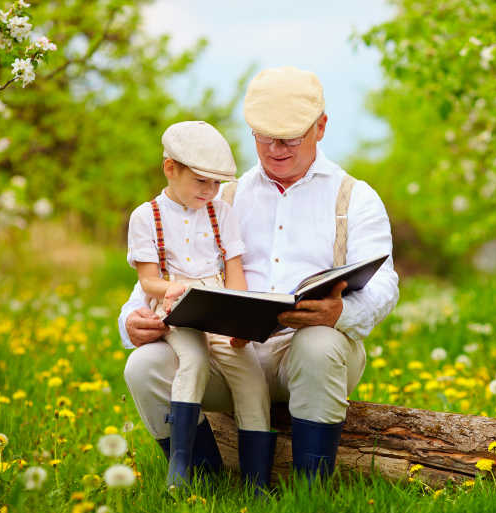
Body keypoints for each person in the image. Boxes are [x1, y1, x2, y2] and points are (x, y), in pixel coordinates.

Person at [118, 66, 399, 484]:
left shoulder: (354, 197)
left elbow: (383, 285)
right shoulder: (220, 195)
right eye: (264, 137)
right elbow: (164, 270)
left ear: (320, 127)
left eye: (289, 138)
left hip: (306, 357)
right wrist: (132, 321)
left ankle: (309, 490)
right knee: (143, 367)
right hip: (226, 353)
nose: (276, 149)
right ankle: (205, 488)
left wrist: (335, 314)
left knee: (319, 344)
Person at [126, 121, 272, 489]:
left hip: (219, 302)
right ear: (170, 169)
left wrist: (240, 317)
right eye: (200, 182)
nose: (209, 192)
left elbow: (234, 270)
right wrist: (172, 289)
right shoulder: (147, 217)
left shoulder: (221, 212)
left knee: (250, 376)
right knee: (192, 363)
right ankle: (182, 468)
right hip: (180, 307)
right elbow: (148, 280)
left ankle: (258, 481)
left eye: (216, 184)